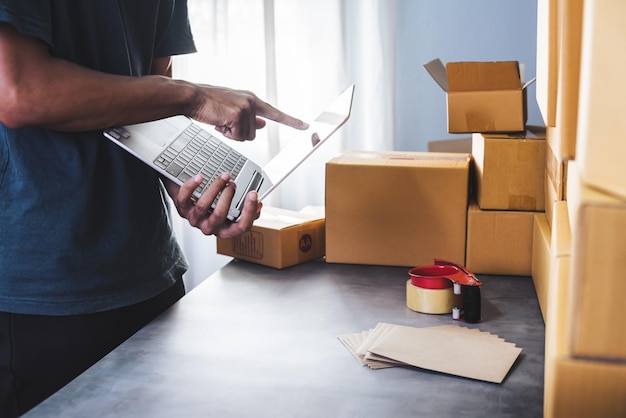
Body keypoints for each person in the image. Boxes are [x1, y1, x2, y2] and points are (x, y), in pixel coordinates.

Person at [0, 1, 308, 416]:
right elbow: (21, 92)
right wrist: (194, 96)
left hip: (150, 275)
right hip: (43, 290)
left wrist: (184, 178)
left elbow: (152, 87)